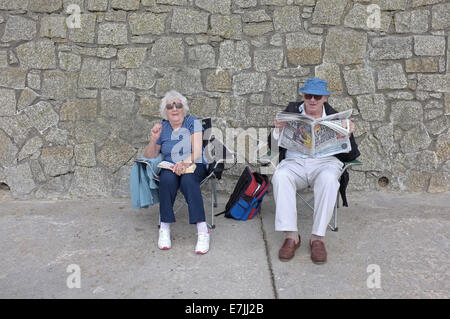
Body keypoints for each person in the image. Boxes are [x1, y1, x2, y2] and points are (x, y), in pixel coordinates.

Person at [271, 78, 360, 264]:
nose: (312, 100)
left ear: (325, 98)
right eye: (308, 95)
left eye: (317, 96)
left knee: (329, 179)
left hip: (325, 163)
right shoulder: (291, 112)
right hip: (295, 162)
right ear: (303, 96)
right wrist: (276, 131)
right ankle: (292, 236)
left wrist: (348, 134)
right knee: (280, 176)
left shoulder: (336, 117)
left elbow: (352, 156)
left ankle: (317, 238)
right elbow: (270, 147)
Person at [143, 90, 210, 255]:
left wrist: (185, 163)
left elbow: (197, 151)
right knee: (166, 180)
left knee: (188, 180)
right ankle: (164, 228)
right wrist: (154, 138)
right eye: (170, 106)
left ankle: (203, 231)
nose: (174, 109)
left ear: (183, 108)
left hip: (194, 163)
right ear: (165, 111)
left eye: (178, 105)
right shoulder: (163, 127)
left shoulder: (192, 122)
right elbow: (150, 156)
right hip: (170, 166)